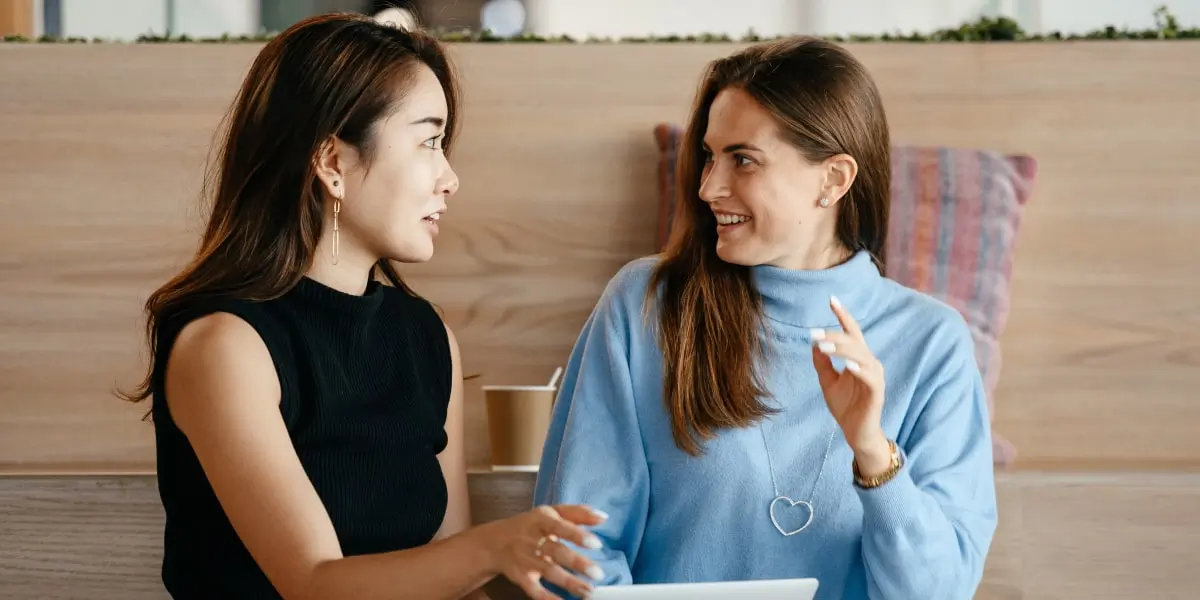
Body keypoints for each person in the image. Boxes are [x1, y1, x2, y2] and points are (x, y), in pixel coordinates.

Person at [118, 13, 605, 600]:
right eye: (429, 141)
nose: (450, 178)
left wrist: (488, 563)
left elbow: (446, 573)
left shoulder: (426, 336)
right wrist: (493, 547)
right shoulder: (225, 346)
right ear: (332, 163)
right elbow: (313, 583)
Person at [534, 36, 998, 600]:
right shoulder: (646, 305)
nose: (709, 187)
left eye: (743, 160)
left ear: (833, 179)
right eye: (709, 155)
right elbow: (574, 550)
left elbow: (939, 592)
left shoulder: (933, 345)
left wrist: (874, 454)